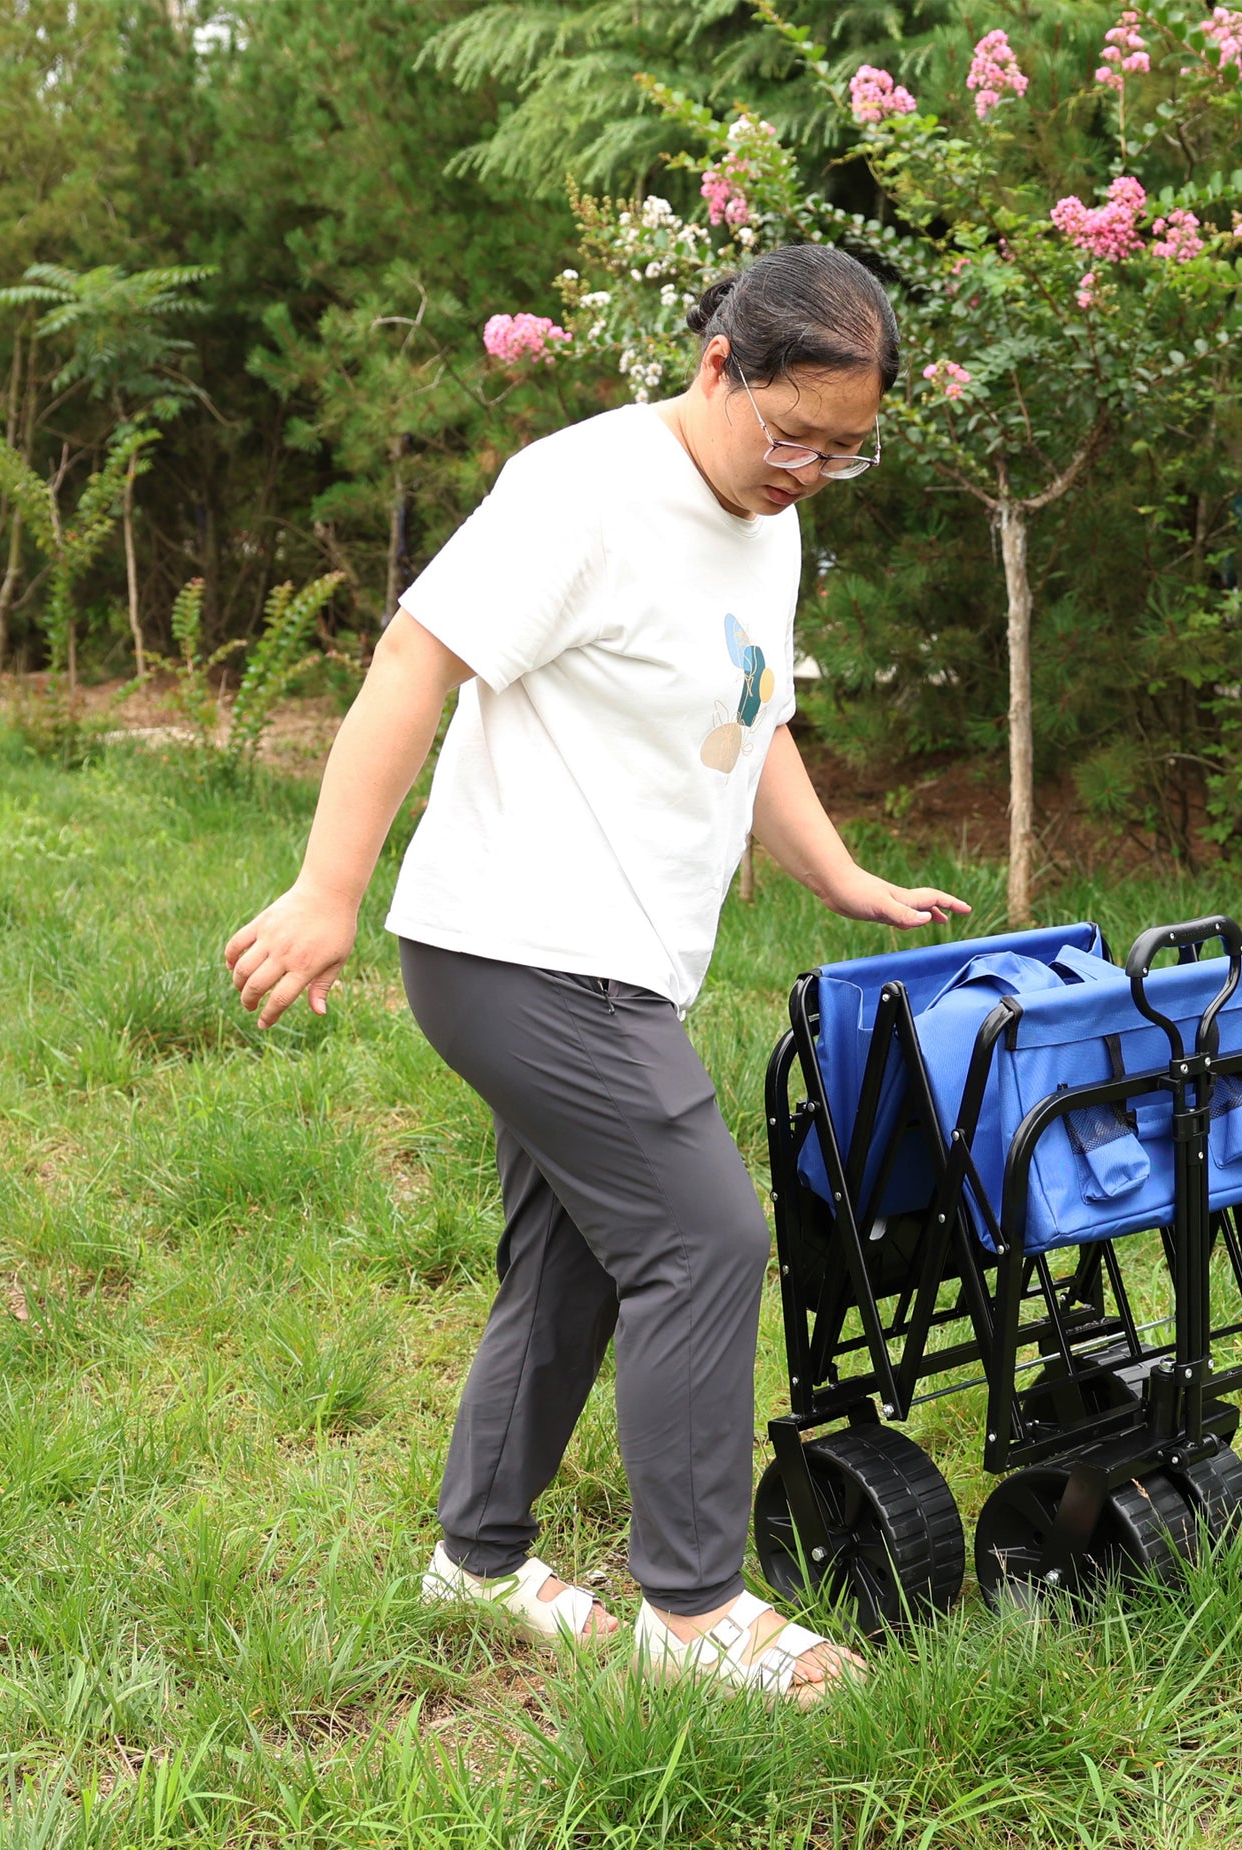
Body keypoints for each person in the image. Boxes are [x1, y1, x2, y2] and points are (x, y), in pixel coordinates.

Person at [223, 245, 967, 1707]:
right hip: (517, 945)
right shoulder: (580, 491)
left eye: (846, 448)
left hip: (620, 954)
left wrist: (838, 875)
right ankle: (690, 1615)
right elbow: (408, 666)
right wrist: (325, 889)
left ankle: (478, 1558)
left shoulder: (769, 516)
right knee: (703, 1238)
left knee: (567, 1262)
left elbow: (759, 708)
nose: (812, 468)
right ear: (715, 369)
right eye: (792, 433)